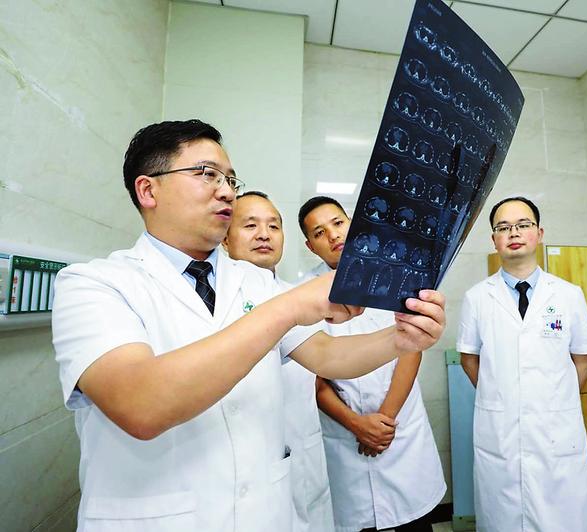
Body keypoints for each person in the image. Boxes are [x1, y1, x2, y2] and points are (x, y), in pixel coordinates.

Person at [51, 120, 446, 532]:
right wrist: (289, 307)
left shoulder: (254, 282)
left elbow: (329, 356)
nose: (226, 191)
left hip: (263, 514)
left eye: (230, 179)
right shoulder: (93, 284)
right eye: (206, 174)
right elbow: (140, 404)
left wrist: (400, 337)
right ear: (148, 190)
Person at [298, 196, 446, 532]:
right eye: (319, 232)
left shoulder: (398, 273)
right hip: (345, 436)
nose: (333, 235)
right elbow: (312, 374)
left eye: (338, 223)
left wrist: (385, 420)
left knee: (415, 523)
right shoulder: (303, 293)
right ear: (310, 246)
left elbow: (411, 348)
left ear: (353, 223)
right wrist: (357, 425)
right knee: (357, 523)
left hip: (399, 430)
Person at [457, 196, 587, 531]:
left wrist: (555, 398)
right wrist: (504, 395)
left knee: (565, 519)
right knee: (506, 518)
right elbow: (469, 359)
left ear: (539, 233)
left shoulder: (568, 294)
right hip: (501, 433)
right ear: (494, 239)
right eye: (503, 227)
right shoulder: (477, 298)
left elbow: (584, 360)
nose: (514, 233)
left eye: (523, 225)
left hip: (557, 431)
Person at [223, 190, 334, 532]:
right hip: (244, 471)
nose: (264, 234)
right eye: (250, 225)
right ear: (225, 239)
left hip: (303, 454)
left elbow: (326, 360)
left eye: (273, 226)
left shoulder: (300, 298)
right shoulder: (214, 304)